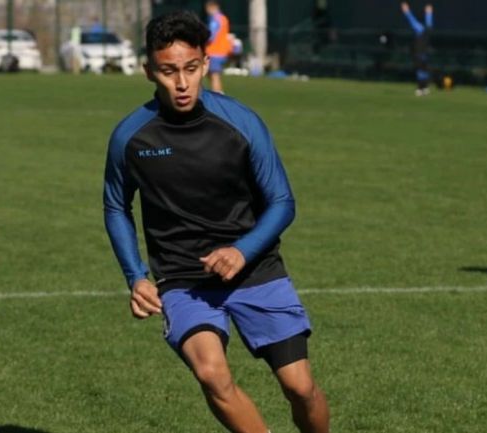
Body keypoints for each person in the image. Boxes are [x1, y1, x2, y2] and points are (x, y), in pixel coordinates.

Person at [103, 10, 330, 433]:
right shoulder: (130, 138)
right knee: (212, 374)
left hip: (255, 269)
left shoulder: (241, 123)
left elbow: (282, 201)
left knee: (300, 387)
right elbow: (116, 206)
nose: (182, 83)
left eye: (191, 69)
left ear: (206, 63)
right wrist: (135, 276)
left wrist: (241, 251)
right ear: (148, 71)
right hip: (182, 280)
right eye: (169, 71)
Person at [400, 2, 434, 96]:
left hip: (421, 51)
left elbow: (412, 20)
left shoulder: (423, 29)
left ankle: (422, 87)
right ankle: (423, 87)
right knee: (422, 69)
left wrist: (406, 11)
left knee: (422, 69)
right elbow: (413, 21)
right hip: (421, 51)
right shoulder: (424, 29)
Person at [204, 0, 232, 93]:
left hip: (214, 51)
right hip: (222, 51)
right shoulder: (223, 18)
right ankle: (217, 93)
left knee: (214, 75)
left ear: (212, 7)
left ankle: (218, 95)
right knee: (211, 74)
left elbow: (211, 35)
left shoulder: (215, 19)